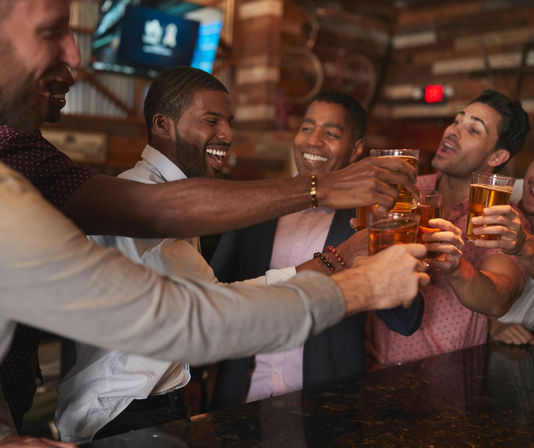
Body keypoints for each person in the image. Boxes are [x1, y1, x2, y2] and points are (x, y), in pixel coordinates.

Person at [0, 1, 430, 446]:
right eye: (51, 31)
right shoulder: (156, 194)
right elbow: (190, 313)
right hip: (122, 415)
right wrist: (348, 268)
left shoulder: (32, 156)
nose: (74, 57)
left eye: (229, 121)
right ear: (163, 125)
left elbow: (203, 287)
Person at [207, 91, 426, 409]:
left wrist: (387, 240)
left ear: (357, 150)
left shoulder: (367, 217)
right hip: (242, 394)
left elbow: (405, 322)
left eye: (331, 133)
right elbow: (212, 295)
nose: (313, 141)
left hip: (327, 401)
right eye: (307, 128)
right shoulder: (259, 203)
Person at [367, 89, 529, 367]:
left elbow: (498, 300)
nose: (453, 131)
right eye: (457, 120)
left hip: (445, 380)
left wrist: (457, 267)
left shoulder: (501, 217)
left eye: (473, 130)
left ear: (496, 157)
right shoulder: (407, 190)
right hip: (371, 367)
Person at [469, 159, 534, 345]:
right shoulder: (501, 190)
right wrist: (491, 326)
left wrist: (523, 245)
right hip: (471, 336)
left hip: (520, 345)